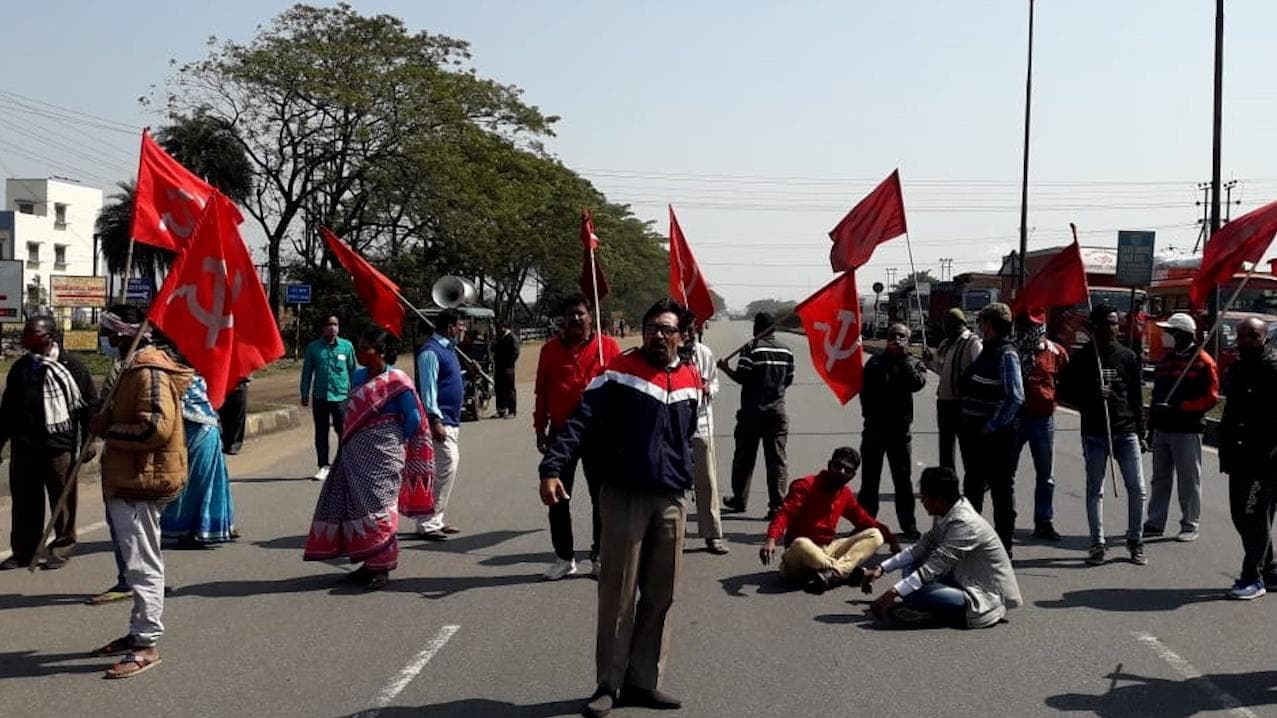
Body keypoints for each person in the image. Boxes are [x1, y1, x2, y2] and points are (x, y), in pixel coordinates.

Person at [539, 298, 701, 718]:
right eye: (651, 328)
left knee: (660, 595)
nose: (657, 335)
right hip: (624, 496)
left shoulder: (689, 378)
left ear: (682, 336)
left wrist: (686, 482)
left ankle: (644, 681)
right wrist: (552, 466)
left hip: (670, 500)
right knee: (618, 595)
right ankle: (608, 684)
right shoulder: (618, 373)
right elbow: (579, 421)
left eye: (666, 329)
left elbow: (686, 437)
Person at [89, 305, 193, 679]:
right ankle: (138, 632)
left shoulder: (148, 371)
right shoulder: (131, 369)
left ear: (121, 334)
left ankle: (146, 644)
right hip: (130, 480)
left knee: (142, 565)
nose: (105, 337)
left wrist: (108, 430)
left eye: (107, 331)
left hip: (142, 482)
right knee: (138, 562)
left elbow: (155, 429)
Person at [304, 330, 434, 590]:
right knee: (357, 508)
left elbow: (412, 420)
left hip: (384, 456)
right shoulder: (358, 377)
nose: (360, 353)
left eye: (366, 349)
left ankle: (382, 567)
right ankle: (367, 563)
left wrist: (390, 444)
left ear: (381, 353)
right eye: (360, 348)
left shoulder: (397, 381)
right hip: (353, 455)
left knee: (380, 508)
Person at [862, 466, 1022, 628]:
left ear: (938, 499)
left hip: (984, 596)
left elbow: (935, 566)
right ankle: (927, 608)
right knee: (911, 568)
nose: (922, 501)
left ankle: (930, 613)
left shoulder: (964, 524)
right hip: (962, 577)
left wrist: (892, 593)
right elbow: (921, 548)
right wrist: (881, 568)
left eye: (923, 496)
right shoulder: (946, 512)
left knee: (914, 590)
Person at [534, 295, 622, 578]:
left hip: (600, 433)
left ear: (590, 315)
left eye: (581, 313)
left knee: (602, 498)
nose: (575, 319)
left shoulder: (607, 347)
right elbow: (542, 391)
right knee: (556, 497)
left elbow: (621, 389)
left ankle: (599, 555)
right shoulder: (549, 350)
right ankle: (564, 557)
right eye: (570, 314)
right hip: (561, 434)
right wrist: (540, 427)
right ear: (563, 317)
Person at [0, 316, 98, 570]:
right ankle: (23, 550)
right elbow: (7, 410)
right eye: (26, 334)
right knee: (24, 502)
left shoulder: (72, 367)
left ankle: (61, 547)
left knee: (62, 500)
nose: (28, 339)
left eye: (34, 334)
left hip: (58, 447)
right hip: (24, 447)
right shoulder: (21, 367)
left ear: (50, 336)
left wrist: (89, 441)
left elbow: (89, 408)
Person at [1058, 303, 1148, 567]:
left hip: (1126, 432)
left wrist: (1142, 432)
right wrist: (1090, 396)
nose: (1113, 328)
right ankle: (1097, 544)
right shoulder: (1082, 358)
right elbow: (1065, 394)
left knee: (1138, 489)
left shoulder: (1128, 357)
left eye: (1115, 322)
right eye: (1107, 323)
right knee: (1095, 490)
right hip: (1095, 433)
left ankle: (1135, 541)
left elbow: (1136, 398)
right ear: (1094, 327)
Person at [760, 447, 900, 594]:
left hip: (827, 550)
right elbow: (785, 513)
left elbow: (865, 520)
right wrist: (771, 538)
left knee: (875, 535)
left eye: (847, 470)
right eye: (838, 466)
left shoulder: (845, 494)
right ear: (829, 465)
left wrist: (891, 540)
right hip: (800, 556)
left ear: (852, 475)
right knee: (801, 543)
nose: (841, 472)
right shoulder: (805, 485)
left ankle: (835, 573)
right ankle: (848, 573)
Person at [1145, 312, 1219, 543]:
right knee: (1160, 478)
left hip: (1187, 430)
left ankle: (1190, 524)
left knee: (1188, 479)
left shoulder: (1203, 361)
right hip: (1162, 430)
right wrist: (1151, 428)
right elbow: (1156, 396)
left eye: (1170, 332)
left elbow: (1211, 398)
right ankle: (1155, 521)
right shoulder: (1166, 361)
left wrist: (1181, 407)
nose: (1166, 336)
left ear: (1183, 335)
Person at [1218, 318, 1277, 600]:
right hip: (1237, 456)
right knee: (1241, 516)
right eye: (1241, 335)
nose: (1245, 340)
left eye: (1252, 336)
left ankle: (1252, 576)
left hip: (1264, 460)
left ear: (1264, 338)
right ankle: (1271, 569)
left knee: (1253, 516)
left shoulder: (1272, 368)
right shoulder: (1238, 369)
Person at [958, 303, 1023, 554]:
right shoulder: (987, 351)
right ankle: (972, 545)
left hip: (997, 436)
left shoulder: (1006, 354)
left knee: (1001, 491)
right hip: (975, 432)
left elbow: (1015, 397)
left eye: (984, 322)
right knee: (973, 488)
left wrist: (992, 425)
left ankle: (1003, 548)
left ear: (994, 325)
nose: (980, 327)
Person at [720, 311, 795, 519]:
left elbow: (742, 377)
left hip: (752, 413)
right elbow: (788, 380)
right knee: (777, 461)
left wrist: (725, 368)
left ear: (758, 328)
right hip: (777, 413)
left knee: (744, 458)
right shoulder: (787, 350)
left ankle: (739, 499)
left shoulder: (751, 348)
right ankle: (777, 507)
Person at [858, 322, 927, 540]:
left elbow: (917, 384)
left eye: (901, 336)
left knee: (903, 481)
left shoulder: (913, 363)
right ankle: (865, 523)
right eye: (892, 336)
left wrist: (904, 358)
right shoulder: (875, 362)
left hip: (899, 432)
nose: (896, 339)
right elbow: (863, 390)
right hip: (874, 430)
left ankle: (908, 524)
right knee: (869, 480)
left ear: (908, 340)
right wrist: (869, 414)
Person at [1011, 311, 1069, 542]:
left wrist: (1054, 400)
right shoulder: (1012, 351)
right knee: (1007, 473)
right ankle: (1007, 518)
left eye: (1033, 326)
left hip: (1043, 420)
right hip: (1015, 419)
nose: (1028, 330)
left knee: (1046, 475)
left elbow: (1066, 381)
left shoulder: (1055, 352)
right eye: (1025, 325)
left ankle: (1044, 521)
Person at [161, 373, 235, 547]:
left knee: (194, 485)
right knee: (196, 484)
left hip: (200, 434)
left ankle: (196, 530)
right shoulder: (179, 378)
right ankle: (193, 529)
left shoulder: (181, 380)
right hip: (199, 434)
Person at [414, 309, 467, 540]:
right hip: (439, 421)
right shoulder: (430, 353)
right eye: (461, 326)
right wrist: (435, 419)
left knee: (440, 470)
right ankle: (428, 522)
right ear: (449, 327)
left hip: (452, 420)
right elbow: (428, 390)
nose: (463, 330)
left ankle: (434, 518)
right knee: (448, 464)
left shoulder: (449, 350)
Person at [924, 308, 982, 472]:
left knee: (967, 447)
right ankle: (947, 482)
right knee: (945, 446)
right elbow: (942, 370)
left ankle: (975, 481)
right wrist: (930, 361)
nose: (946, 327)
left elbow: (980, 369)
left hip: (963, 404)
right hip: (944, 403)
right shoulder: (946, 343)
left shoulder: (973, 342)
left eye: (950, 324)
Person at [300, 316, 357, 481]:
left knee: (344, 432)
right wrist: (304, 393)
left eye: (335, 324)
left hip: (341, 397)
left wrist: (356, 393)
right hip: (320, 397)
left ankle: (343, 465)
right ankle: (323, 466)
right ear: (323, 328)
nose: (332, 328)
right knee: (321, 433)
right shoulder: (314, 348)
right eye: (329, 324)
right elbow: (307, 372)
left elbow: (353, 371)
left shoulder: (346, 347)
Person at [690, 327, 728, 555]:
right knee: (673, 488)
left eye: (688, 330)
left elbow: (715, 384)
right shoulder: (663, 355)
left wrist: (708, 389)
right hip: (672, 433)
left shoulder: (703, 353)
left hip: (701, 428)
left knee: (707, 484)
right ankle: (672, 537)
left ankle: (712, 535)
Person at [493, 322, 520, 419]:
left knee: (509, 389)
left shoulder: (512, 338)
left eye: (499, 328)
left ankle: (512, 411)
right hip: (499, 367)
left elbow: (515, 352)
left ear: (504, 328)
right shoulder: (498, 338)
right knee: (499, 388)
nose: (497, 330)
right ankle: (501, 410)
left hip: (508, 368)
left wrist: (508, 362)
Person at [218, 377, 250, 455]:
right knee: (221, 415)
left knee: (238, 415)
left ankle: (234, 444)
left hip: (239, 382)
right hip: (220, 382)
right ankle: (222, 443)